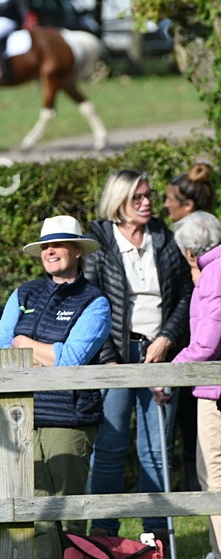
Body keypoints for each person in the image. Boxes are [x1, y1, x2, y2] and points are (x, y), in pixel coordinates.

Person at [0, 216, 110, 559]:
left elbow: (72, 359)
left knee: (69, 507)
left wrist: (25, 343)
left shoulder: (94, 301)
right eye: (45, 246)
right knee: (38, 508)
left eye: (58, 245)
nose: (50, 252)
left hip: (70, 417)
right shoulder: (24, 293)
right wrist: (41, 352)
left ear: (77, 251)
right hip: (23, 415)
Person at [83, 169, 193, 538]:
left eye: (149, 195)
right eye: (138, 197)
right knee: (109, 447)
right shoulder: (98, 241)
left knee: (157, 448)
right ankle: (103, 534)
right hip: (114, 353)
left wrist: (166, 339)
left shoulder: (165, 237)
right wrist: (109, 358)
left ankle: (156, 536)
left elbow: (185, 295)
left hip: (159, 352)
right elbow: (92, 303)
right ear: (119, 201)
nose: (147, 203)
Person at [162, 213, 221, 559]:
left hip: (215, 391)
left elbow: (205, 344)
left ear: (188, 251)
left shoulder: (213, 274)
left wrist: (170, 373)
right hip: (213, 387)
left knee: (213, 473)